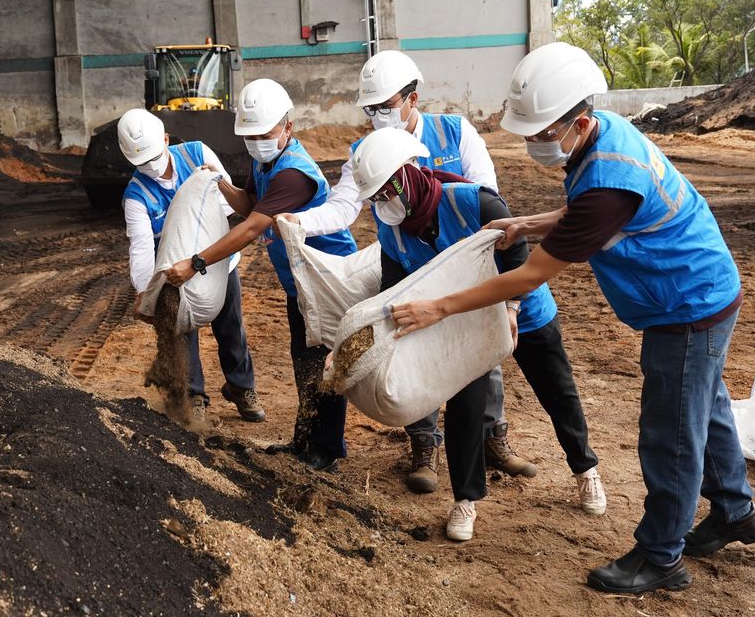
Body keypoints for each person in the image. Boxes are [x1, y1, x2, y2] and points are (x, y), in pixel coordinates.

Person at [389, 42, 755, 593]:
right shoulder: (602, 139)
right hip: (699, 293)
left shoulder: (607, 178)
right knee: (705, 409)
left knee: (672, 433)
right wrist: (530, 222)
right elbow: (583, 208)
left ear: (579, 121)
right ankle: (736, 511)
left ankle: (661, 555)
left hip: (686, 305)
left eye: (542, 134)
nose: (533, 145)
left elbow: (527, 277)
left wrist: (438, 306)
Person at [282, 50, 535, 490]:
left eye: (385, 105)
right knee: (414, 347)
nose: (377, 116)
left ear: (412, 99)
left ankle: (493, 437)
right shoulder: (364, 151)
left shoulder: (456, 134)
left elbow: (487, 197)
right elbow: (344, 206)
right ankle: (424, 446)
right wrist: (302, 222)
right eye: (370, 108)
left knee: (479, 347)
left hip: (462, 266)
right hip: (408, 263)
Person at [347, 127, 605, 541]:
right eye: (375, 196)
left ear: (409, 172)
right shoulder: (391, 230)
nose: (383, 202)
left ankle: (585, 469)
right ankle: (466, 500)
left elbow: (517, 252)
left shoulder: (471, 200)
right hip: (462, 322)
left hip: (523, 310)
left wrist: (511, 308)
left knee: (558, 392)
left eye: (385, 190)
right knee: (465, 406)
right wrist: (356, 340)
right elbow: (394, 290)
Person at [164, 79, 357, 471]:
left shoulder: (294, 175)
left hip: (325, 279)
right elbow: (249, 201)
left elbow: (251, 226)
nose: (255, 142)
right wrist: (218, 182)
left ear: (288, 126)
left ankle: (327, 450)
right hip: (299, 282)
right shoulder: (264, 161)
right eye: (249, 135)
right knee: (304, 359)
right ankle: (305, 442)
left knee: (322, 363)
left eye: (263, 133)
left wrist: (196, 262)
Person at [118, 108, 265, 424]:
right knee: (181, 329)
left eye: (154, 156)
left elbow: (227, 203)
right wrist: (147, 292)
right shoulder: (136, 196)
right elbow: (142, 248)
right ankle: (193, 395)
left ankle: (240, 387)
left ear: (167, 140)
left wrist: (202, 253)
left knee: (230, 326)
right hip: (176, 275)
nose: (151, 167)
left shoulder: (197, 153)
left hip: (217, 260)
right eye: (141, 163)